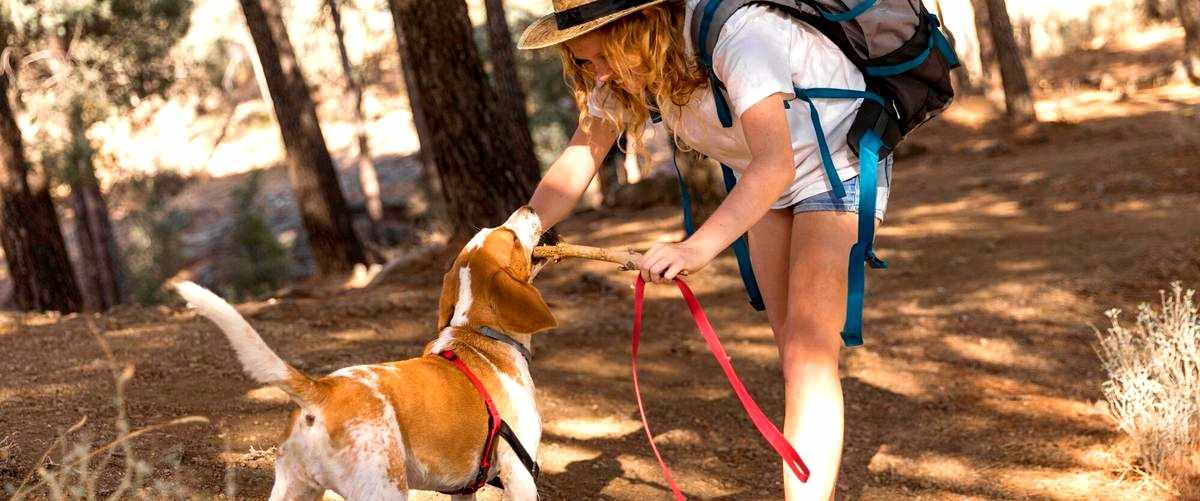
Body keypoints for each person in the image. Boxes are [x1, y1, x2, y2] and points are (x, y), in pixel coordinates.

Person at [519, 0, 891, 498]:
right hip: (766, 182)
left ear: (639, 29)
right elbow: (579, 158)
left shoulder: (741, 38)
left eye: (603, 56)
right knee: (791, 353)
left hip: (833, 167)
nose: (599, 73)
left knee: (809, 356)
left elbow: (775, 163)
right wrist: (519, 230)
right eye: (585, 63)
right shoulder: (623, 74)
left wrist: (697, 248)